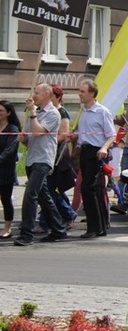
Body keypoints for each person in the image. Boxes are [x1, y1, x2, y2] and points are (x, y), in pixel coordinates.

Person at [14, 84, 67, 246]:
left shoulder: (53, 114)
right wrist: (23, 139)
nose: (34, 95)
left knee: (30, 195)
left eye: (36, 93)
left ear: (46, 94)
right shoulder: (34, 114)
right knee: (45, 197)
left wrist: (32, 112)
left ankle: (27, 234)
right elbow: (30, 139)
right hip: (31, 159)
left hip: (43, 160)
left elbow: (38, 131)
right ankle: (58, 229)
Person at [73, 81, 117, 239]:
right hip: (84, 151)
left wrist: (104, 148)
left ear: (92, 94)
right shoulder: (83, 110)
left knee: (88, 188)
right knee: (91, 189)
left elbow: (112, 135)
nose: (80, 94)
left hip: (96, 152)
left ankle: (95, 227)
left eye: (83, 91)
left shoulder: (102, 111)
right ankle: (99, 227)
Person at [37, 84, 76, 232]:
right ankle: (62, 214)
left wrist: (46, 137)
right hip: (45, 152)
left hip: (57, 155)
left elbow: (63, 136)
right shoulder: (44, 111)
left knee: (48, 188)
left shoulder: (61, 113)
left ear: (58, 97)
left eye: (52, 96)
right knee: (50, 188)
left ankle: (62, 215)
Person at [0, 100, 21, 239]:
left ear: (8, 113)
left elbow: (9, 151)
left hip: (5, 171)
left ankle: (7, 227)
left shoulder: (12, 129)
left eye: (1, 111)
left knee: (6, 199)